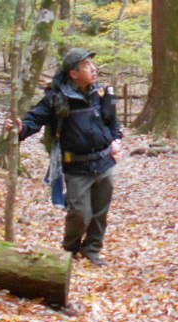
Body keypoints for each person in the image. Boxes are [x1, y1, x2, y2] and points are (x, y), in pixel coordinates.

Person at [18, 46, 122, 265]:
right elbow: (35, 119)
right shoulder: (57, 98)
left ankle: (92, 249)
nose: (93, 69)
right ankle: (70, 249)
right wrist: (20, 130)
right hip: (76, 166)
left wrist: (116, 140)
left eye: (92, 64)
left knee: (100, 211)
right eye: (86, 65)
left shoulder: (101, 93)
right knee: (79, 213)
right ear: (74, 73)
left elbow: (112, 121)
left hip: (104, 162)